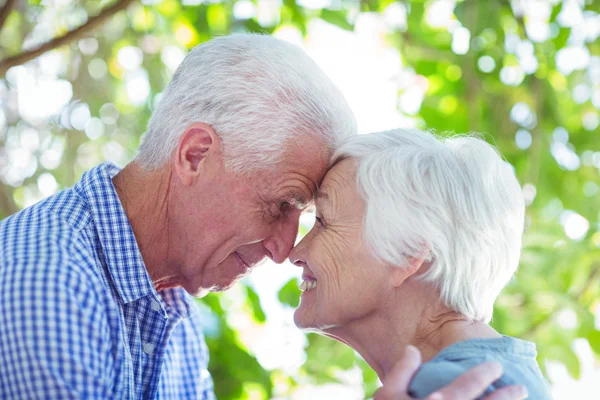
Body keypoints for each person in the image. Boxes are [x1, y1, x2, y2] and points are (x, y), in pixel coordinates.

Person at [0, 34, 524, 399]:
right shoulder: (49, 284)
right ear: (195, 155)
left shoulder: (168, 310)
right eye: (282, 205)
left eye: (311, 218)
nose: (284, 250)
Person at [290, 128, 552, 399]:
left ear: (407, 252)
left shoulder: (443, 385)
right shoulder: (514, 373)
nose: (295, 252)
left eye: (323, 221)